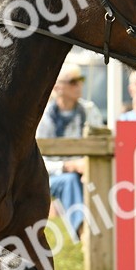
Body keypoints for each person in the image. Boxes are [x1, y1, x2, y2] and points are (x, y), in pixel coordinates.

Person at [36, 64, 102, 235]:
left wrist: (88, 167)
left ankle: (110, 232)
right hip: (47, 178)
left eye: (81, 80)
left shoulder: (89, 110)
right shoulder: (42, 115)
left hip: (85, 173)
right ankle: (84, 233)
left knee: (98, 180)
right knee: (70, 180)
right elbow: (34, 160)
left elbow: (100, 146)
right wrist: (68, 166)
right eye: (73, 81)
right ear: (57, 87)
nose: (79, 85)